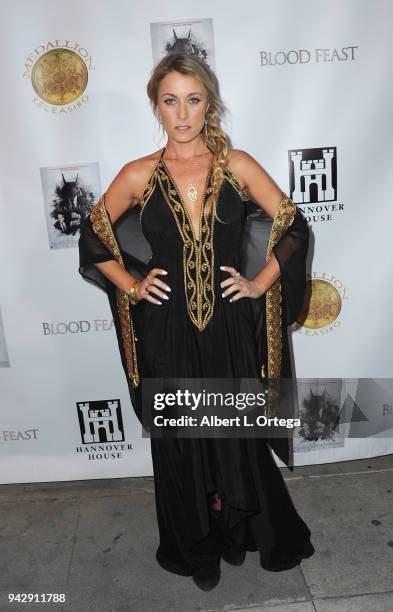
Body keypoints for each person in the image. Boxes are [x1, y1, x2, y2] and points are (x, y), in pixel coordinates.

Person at [78, 52, 315, 591]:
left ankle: (241, 531)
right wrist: (133, 286)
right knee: (181, 439)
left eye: (193, 99)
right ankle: (196, 548)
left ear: (209, 103)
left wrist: (258, 283)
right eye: (170, 100)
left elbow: (294, 227)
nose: (181, 113)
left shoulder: (238, 165)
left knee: (234, 430)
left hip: (230, 325)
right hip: (166, 330)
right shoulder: (138, 174)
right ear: (155, 105)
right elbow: (93, 238)